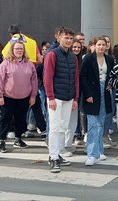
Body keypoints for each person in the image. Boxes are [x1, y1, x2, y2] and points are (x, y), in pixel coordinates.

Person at [43, 27, 78, 173]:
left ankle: (58, 153)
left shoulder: (73, 57)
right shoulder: (52, 54)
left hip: (68, 97)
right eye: (66, 38)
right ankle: (53, 158)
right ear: (59, 38)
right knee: (55, 128)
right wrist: (50, 97)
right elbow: (47, 77)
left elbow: (76, 79)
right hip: (55, 97)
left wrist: (75, 98)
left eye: (71, 38)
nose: (69, 40)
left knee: (63, 128)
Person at [0, 41, 38, 153]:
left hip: (24, 97)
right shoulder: (6, 63)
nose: (19, 51)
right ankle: (1, 141)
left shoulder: (29, 64)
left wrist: (33, 96)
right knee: (5, 119)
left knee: (21, 120)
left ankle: (18, 139)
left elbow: (34, 80)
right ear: (12, 50)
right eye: (17, 49)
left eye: (21, 49)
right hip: (8, 97)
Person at [80, 37, 115, 166]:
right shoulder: (88, 59)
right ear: (94, 46)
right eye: (99, 45)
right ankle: (91, 154)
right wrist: (87, 94)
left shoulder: (109, 59)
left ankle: (99, 151)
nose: (101, 47)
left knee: (101, 122)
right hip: (92, 93)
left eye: (103, 45)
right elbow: (82, 76)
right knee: (93, 124)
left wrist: (110, 84)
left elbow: (113, 75)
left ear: (106, 47)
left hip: (104, 93)